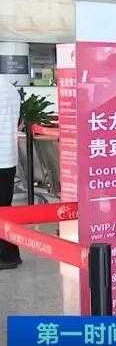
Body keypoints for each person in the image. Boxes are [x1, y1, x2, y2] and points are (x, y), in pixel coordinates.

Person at [0, 79, 21, 270]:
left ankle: (7, 256)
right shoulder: (11, 90)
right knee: (5, 208)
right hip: (8, 158)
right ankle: (11, 254)